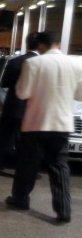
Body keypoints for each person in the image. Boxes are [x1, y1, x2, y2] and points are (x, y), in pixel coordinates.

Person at [6, 31, 82, 222]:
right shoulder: (76, 64)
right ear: (58, 44)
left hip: (36, 122)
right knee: (59, 165)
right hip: (62, 123)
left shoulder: (33, 63)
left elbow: (23, 93)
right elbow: (79, 95)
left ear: (41, 45)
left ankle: (21, 198)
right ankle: (63, 210)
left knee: (28, 163)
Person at [0, 32, 39, 172]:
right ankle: (24, 170)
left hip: (12, 105)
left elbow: (5, 83)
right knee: (25, 143)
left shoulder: (15, 61)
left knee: (3, 138)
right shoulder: (41, 64)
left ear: (27, 44)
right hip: (31, 109)